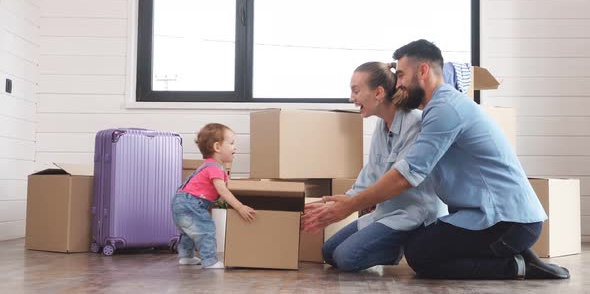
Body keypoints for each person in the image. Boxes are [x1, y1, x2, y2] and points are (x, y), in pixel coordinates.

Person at [303, 39, 570, 280]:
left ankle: (516, 265)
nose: (399, 83)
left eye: (403, 75)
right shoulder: (435, 109)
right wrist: (348, 200)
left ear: (422, 71)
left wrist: (350, 205)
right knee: (411, 249)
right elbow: (377, 173)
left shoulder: (444, 110)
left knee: (421, 255)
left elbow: (407, 175)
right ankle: (512, 255)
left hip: (505, 221)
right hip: (480, 215)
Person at [311, 61, 446, 272]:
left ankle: (402, 246)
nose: (351, 98)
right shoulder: (382, 124)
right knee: (329, 252)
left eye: (356, 91)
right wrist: (346, 198)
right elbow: (371, 171)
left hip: (413, 213)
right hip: (387, 211)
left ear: (379, 93)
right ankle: (385, 242)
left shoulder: (415, 123)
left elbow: (400, 180)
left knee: (346, 258)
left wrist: (350, 205)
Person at [171, 123, 256, 269]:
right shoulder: (214, 168)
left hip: (181, 202)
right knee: (206, 229)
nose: (235, 147)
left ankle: (186, 256)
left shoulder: (208, 165)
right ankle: (209, 261)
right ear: (217, 147)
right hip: (191, 203)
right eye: (232, 143)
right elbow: (223, 191)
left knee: (189, 231)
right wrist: (239, 207)